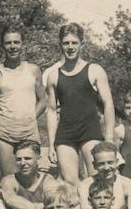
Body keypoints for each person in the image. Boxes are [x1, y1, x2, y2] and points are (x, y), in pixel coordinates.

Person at [46, 23, 115, 186]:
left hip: (90, 131)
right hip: (66, 133)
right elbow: (51, 111)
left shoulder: (95, 70)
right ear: (60, 45)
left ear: (82, 44)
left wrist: (109, 137)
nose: (70, 47)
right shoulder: (53, 76)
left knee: (97, 180)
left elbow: (108, 104)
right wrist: (50, 144)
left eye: (74, 43)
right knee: (70, 182)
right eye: (66, 43)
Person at [0, 26, 47, 176]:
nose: (12, 47)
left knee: (30, 177)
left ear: (22, 44)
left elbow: (43, 101)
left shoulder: (33, 70)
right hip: (5, 133)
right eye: (8, 43)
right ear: (2, 45)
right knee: (9, 180)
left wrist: (31, 117)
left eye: (16, 42)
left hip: (29, 131)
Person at [1, 140, 61, 209]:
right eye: (19, 159)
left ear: (38, 159)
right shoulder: (9, 180)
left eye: (27, 158)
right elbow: (10, 199)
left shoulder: (48, 181)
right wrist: (35, 207)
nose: (23, 163)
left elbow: (54, 205)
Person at [77, 142, 131, 209]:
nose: (106, 167)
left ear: (117, 162)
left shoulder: (128, 184)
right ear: (94, 165)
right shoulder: (85, 185)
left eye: (110, 162)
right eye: (101, 164)